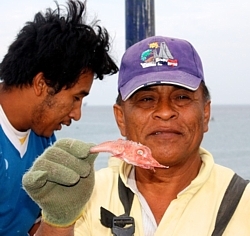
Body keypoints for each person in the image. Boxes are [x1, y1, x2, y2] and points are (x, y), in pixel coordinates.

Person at [22, 35, 250, 236]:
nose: (164, 111)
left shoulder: (244, 200)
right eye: (146, 99)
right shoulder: (85, 194)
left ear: (205, 113)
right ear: (120, 118)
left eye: (181, 97)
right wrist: (59, 221)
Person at [0, 0, 118, 235]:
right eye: (76, 97)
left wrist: (61, 215)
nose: (77, 114)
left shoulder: (44, 140)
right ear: (41, 83)